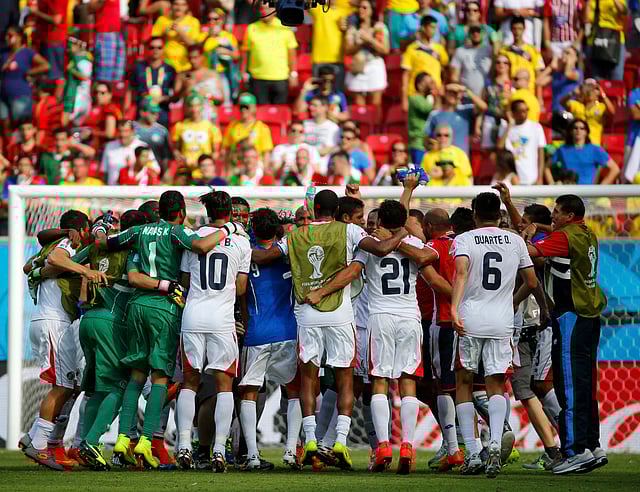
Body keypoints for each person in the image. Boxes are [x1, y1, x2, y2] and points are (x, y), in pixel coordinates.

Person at [251, 189, 412, 470]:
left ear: (314, 209)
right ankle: (339, 440)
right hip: (340, 313)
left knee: (309, 378)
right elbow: (383, 249)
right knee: (345, 377)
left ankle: (311, 440)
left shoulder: (295, 235)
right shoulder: (349, 230)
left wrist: (240, 245)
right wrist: (403, 232)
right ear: (337, 209)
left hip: (307, 313)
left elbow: (264, 258)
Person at [95, 190, 244, 469]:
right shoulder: (179, 232)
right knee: (162, 377)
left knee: (137, 375)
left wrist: (100, 228)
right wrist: (229, 229)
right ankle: (147, 441)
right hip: (166, 308)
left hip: (136, 305)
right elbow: (201, 246)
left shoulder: (137, 231)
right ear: (180, 213)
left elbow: (104, 243)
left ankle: (123, 438)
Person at [451, 192, 537, 477]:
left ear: (474, 213)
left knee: (464, 382)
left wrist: (453, 308)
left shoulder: (464, 239)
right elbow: (532, 281)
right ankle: (496, 446)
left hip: (470, 319)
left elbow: (461, 273)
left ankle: (473, 454)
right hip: (501, 321)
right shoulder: (515, 240)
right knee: (496, 385)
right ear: (500, 215)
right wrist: (511, 301)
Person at [523, 194, 608, 474]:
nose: (553, 216)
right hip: (589, 315)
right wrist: (541, 229)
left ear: (569, 215)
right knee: (585, 385)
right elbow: (556, 234)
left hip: (571, 315)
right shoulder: (585, 232)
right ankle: (592, 446)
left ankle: (574, 451)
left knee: (569, 386)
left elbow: (531, 254)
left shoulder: (563, 239)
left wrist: (522, 238)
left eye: (557, 212)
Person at [175, 191, 251, 472]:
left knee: (190, 382)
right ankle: (219, 448)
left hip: (193, 316)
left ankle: (184, 444)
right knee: (224, 385)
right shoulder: (242, 242)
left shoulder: (192, 238)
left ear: (206, 211)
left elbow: (184, 279)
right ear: (230, 212)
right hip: (222, 319)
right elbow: (241, 288)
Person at [20, 210, 101, 470]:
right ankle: (40, 445)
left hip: (50, 320)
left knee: (67, 384)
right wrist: (84, 271)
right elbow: (56, 258)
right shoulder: (63, 245)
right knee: (62, 386)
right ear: (78, 228)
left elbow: (28, 266)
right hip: (53, 322)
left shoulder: (50, 247)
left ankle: (32, 436)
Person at [237, 208, 302, 469]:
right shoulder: (288, 254)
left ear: (253, 227)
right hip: (288, 330)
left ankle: (251, 455)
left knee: (249, 391)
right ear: (277, 228)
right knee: (295, 389)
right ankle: (290, 451)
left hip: (256, 333)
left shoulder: (245, 253)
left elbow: (240, 294)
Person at [552, 119, 620, 185]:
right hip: (567, 192)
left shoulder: (595, 149)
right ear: (570, 131)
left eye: (582, 128)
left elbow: (615, 169)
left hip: (587, 193)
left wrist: (600, 189)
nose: (578, 130)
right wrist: (552, 185)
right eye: (575, 128)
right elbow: (546, 167)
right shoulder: (562, 149)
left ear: (586, 132)